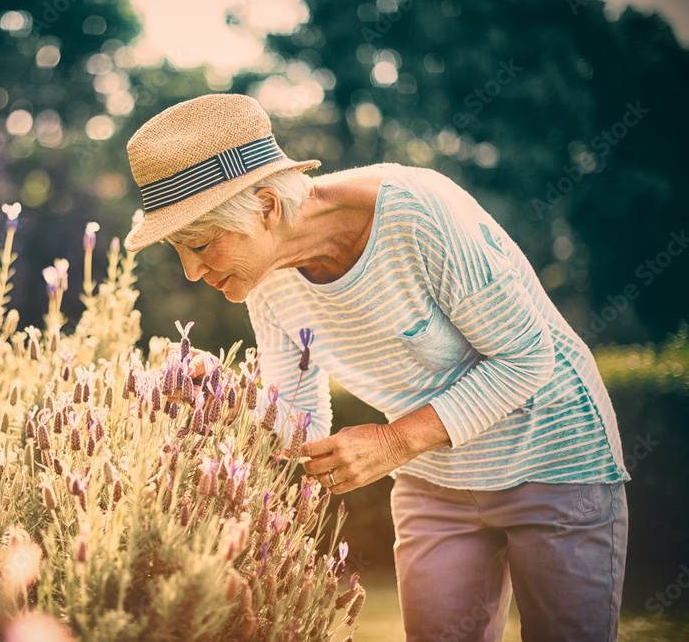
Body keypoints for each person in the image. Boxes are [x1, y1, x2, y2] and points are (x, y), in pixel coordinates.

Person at [122, 93, 630, 642]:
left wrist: (393, 442)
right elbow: (301, 426)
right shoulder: (265, 284)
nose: (191, 271)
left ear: (267, 207)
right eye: (179, 249)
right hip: (435, 478)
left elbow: (527, 358)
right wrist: (223, 398)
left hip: (553, 456)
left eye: (198, 244)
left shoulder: (415, 211)